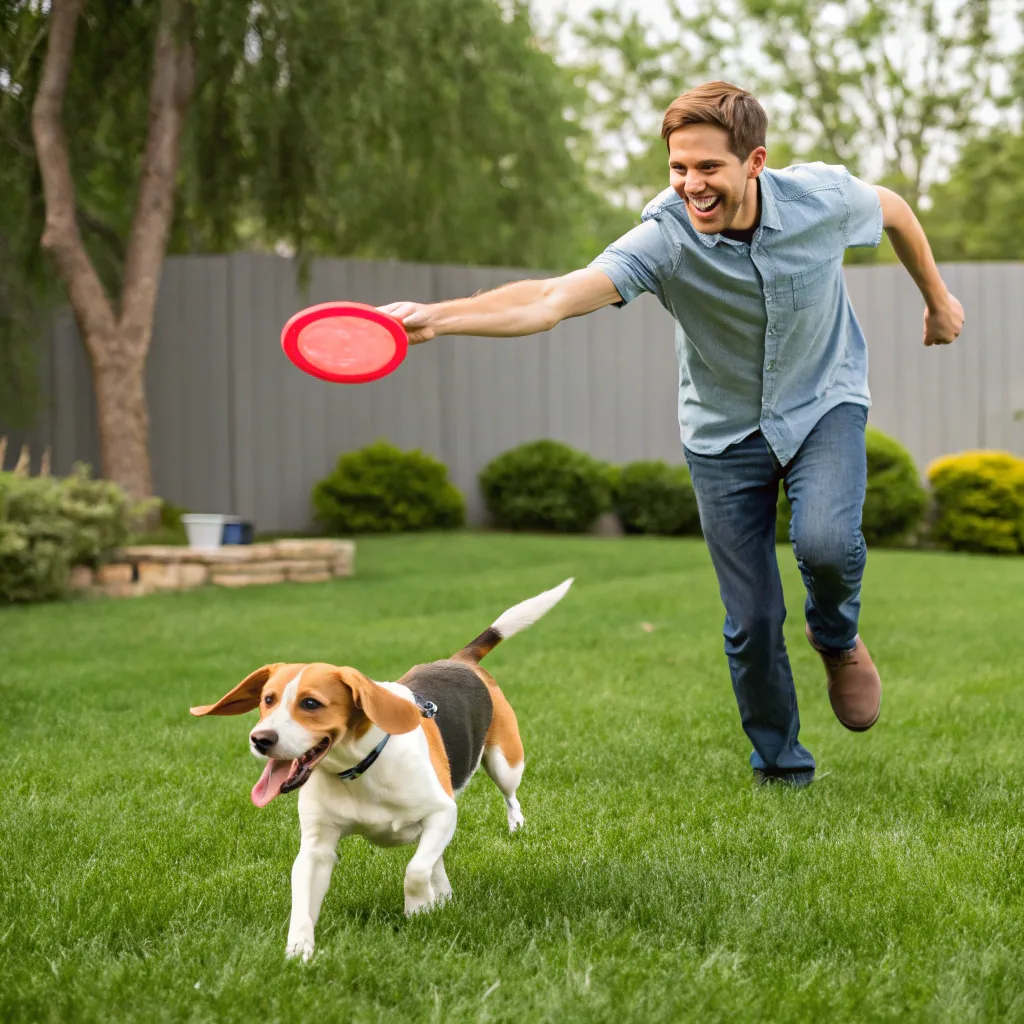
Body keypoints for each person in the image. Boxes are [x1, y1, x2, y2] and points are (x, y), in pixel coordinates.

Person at [379, 81, 964, 787]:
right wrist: (438, 318)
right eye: (679, 168)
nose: (692, 185)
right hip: (722, 433)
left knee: (828, 545)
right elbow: (551, 298)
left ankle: (836, 638)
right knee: (750, 622)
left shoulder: (821, 199)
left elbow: (896, 210)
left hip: (824, 402)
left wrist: (937, 299)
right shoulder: (666, 235)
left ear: (754, 161)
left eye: (708, 168)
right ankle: (782, 768)